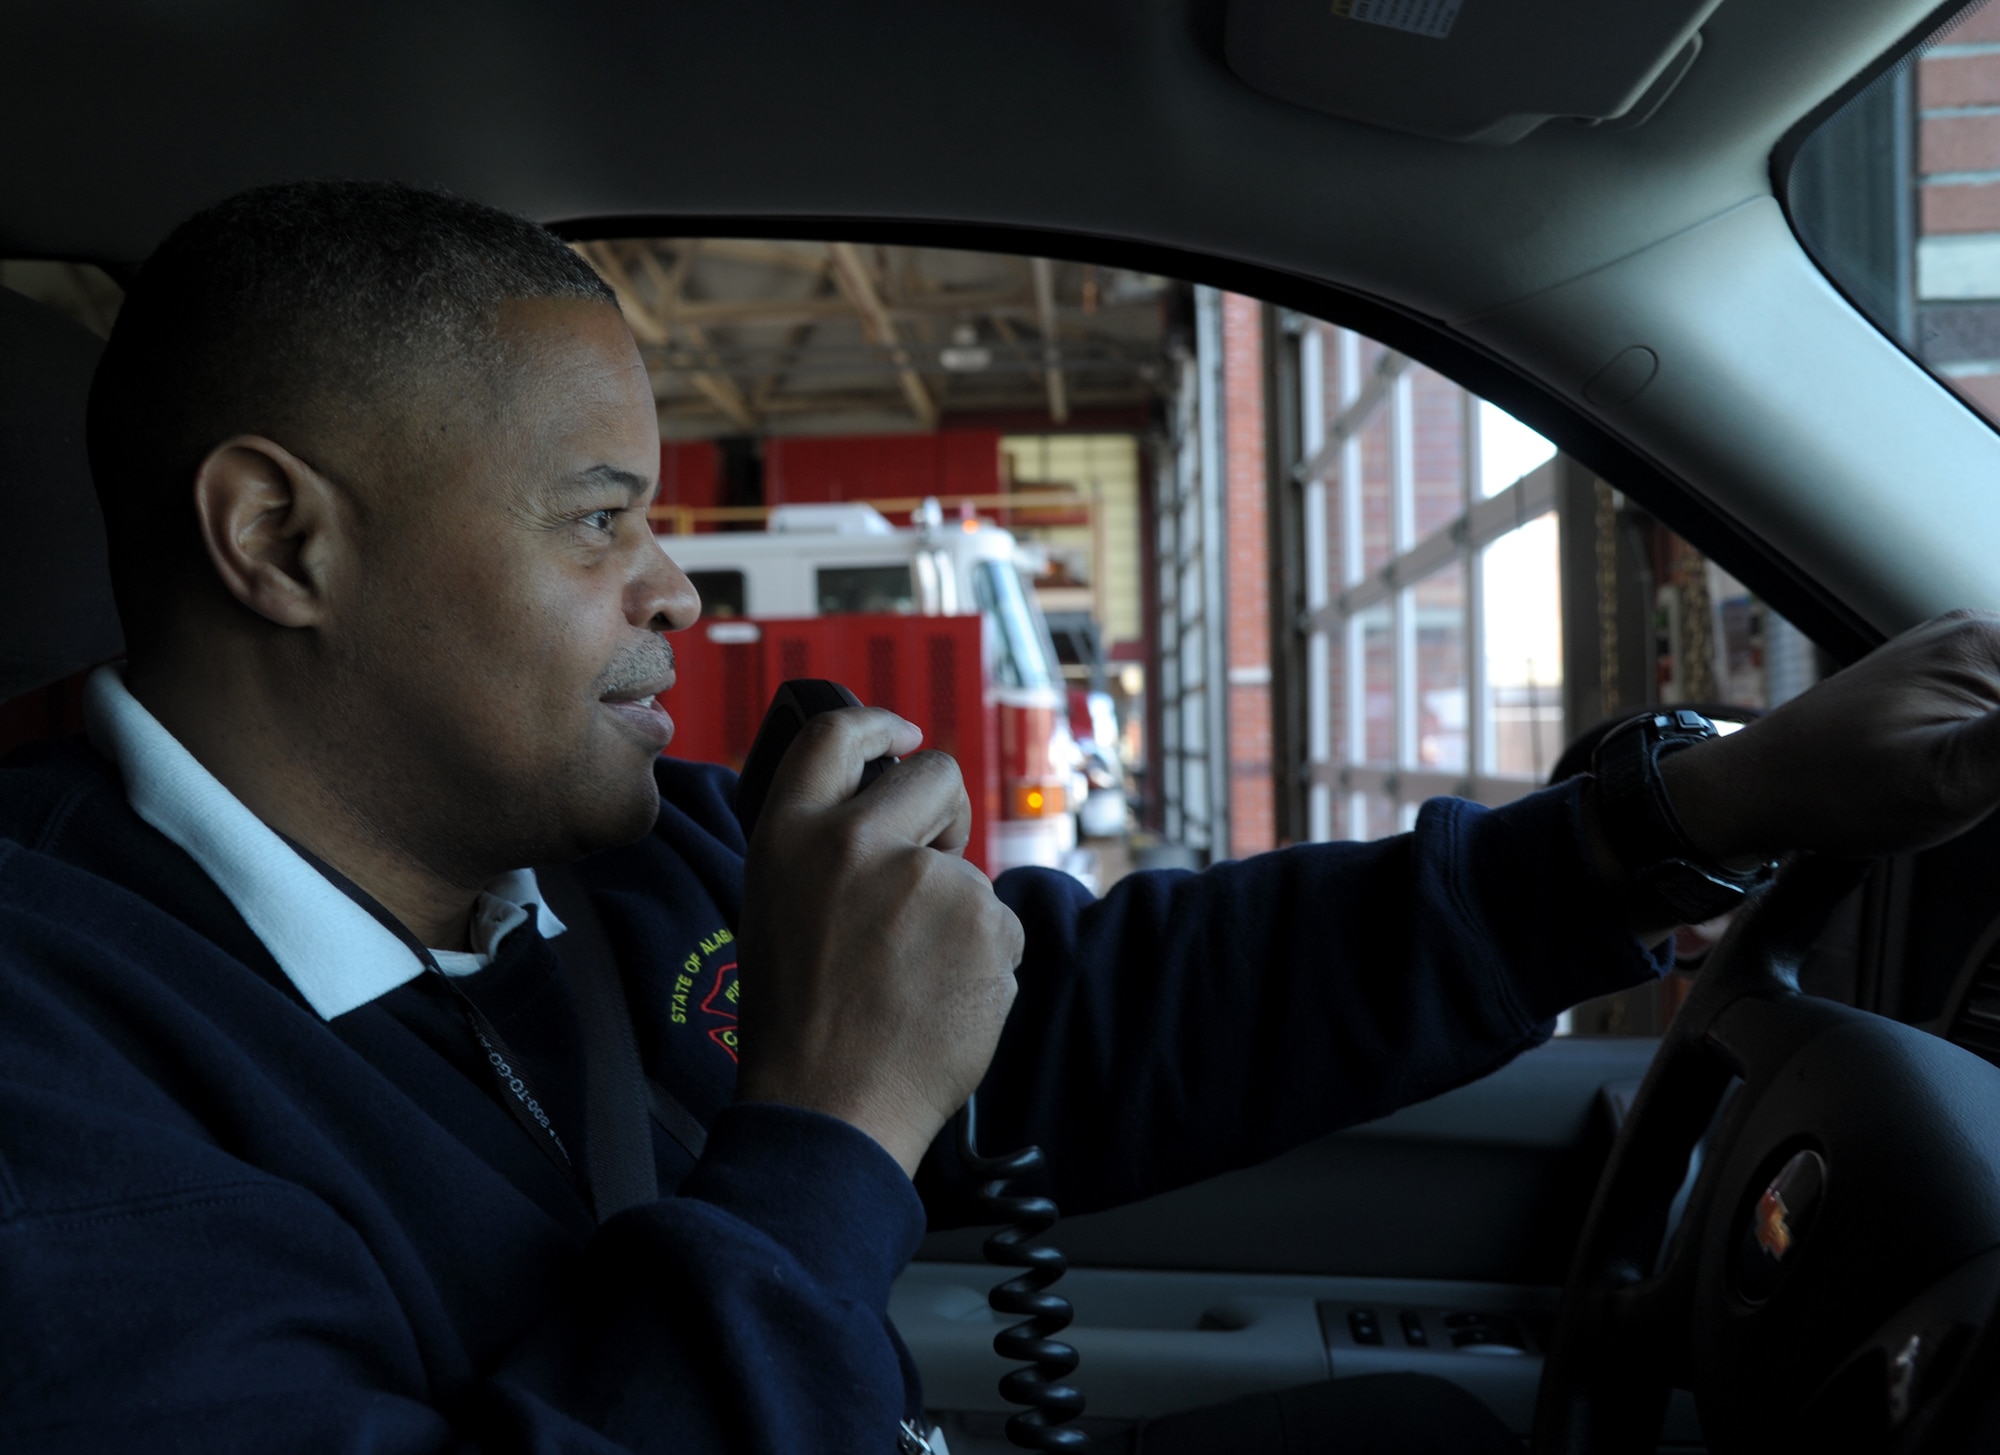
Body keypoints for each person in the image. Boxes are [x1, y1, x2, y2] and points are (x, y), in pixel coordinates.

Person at [5, 180, 2000, 1455]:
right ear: (282, 538)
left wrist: (1691, 810)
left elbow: (1107, 1007)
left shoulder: (621, 876)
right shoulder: (55, 1063)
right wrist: (827, 1125)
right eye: (601, 518)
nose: (676, 593)